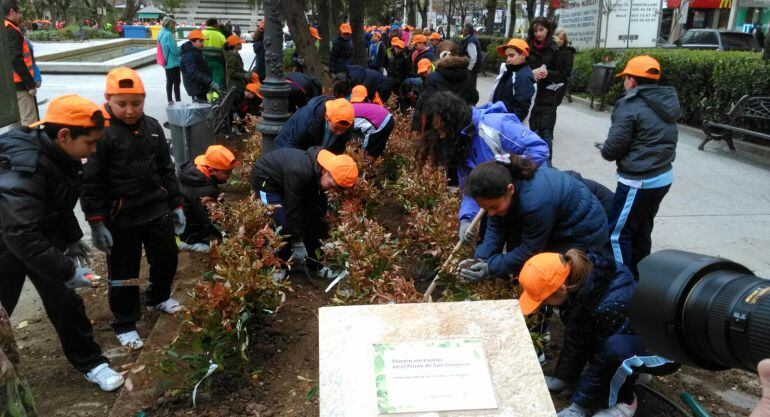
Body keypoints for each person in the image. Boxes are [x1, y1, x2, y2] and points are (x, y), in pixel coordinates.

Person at [0, 95, 124, 392]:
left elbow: (58, 199)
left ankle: (90, 362)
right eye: (90, 143)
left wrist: (72, 237)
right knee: (2, 309)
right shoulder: (24, 166)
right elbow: (20, 232)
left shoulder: (60, 153)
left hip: (39, 236)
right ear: (65, 135)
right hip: (7, 242)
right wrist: (67, 271)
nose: (93, 151)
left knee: (66, 303)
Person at [81, 67, 185, 350]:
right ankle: (125, 321)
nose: (130, 110)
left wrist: (176, 204)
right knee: (124, 272)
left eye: (136, 104)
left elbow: (166, 168)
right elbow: (90, 182)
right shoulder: (100, 134)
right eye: (122, 104)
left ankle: (158, 295)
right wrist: (96, 222)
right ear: (108, 99)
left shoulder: (151, 128)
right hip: (120, 217)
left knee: (167, 256)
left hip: (154, 208)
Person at [517, 250, 677, 417]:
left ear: (562, 289)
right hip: (633, 336)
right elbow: (576, 338)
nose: (543, 305)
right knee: (606, 344)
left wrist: (580, 406)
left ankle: (625, 402)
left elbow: (601, 359)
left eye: (543, 300)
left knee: (614, 349)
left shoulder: (609, 305)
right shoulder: (582, 284)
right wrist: (564, 378)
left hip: (666, 350)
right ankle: (630, 370)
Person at [456, 157, 607, 281]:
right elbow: (496, 227)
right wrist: (481, 259)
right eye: (486, 208)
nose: (490, 213)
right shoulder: (500, 187)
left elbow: (530, 250)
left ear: (510, 190)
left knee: (551, 273)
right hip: (555, 220)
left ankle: (549, 309)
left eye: (494, 207)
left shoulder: (535, 203)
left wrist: (490, 267)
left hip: (583, 230)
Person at [415, 91, 549, 227]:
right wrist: (466, 218)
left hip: (530, 190)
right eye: (438, 131)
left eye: (443, 129)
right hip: (499, 199)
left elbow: (540, 149)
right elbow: (472, 186)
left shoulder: (495, 126)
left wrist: (508, 168)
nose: (442, 136)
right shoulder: (460, 145)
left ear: (455, 120)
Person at [600, 55, 679, 279]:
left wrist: (605, 148)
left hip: (639, 180)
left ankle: (622, 286)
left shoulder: (630, 105)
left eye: (625, 78)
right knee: (642, 229)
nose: (624, 82)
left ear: (633, 80)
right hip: (663, 176)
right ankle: (641, 280)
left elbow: (612, 150)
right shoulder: (666, 101)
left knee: (617, 234)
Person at [250, 147, 358, 280]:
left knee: (313, 216)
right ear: (325, 171)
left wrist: (321, 235)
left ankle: (315, 264)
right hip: (267, 179)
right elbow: (293, 208)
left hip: (289, 180)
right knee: (281, 221)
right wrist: (298, 242)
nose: (333, 191)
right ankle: (280, 265)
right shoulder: (300, 172)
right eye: (332, 186)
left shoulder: (320, 171)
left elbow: (314, 213)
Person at [178, 145, 237, 253]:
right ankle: (188, 241)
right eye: (226, 173)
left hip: (179, 217)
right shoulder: (204, 190)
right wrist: (227, 235)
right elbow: (209, 218)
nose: (229, 176)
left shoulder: (193, 171)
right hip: (185, 226)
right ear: (211, 170)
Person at [526, 17, 567, 161]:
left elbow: (562, 73)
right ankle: (531, 167)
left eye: (541, 30)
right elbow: (522, 68)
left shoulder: (555, 48)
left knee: (546, 135)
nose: (538, 33)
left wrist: (547, 73)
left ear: (547, 30)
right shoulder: (527, 47)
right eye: (535, 30)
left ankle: (547, 168)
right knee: (531, 135)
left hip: (548, 97)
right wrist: (531, 72)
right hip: (530, 96)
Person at [274, 96, 355, 154]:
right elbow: (294, 149)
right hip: (287, 147)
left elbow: (337, 151)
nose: (339, 133)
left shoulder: (348, 121)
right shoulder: (308, 120)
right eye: (336, 128)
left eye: (344, 130)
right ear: (327, 117)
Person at [4, 0, 38, 126]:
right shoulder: (11, 30)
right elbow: (16, 59)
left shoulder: (4, 28)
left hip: (9, 84)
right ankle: (29, 145)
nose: (20, 16)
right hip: (20, 84)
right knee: (30, 123)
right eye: (19, 13)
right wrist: (30, 84)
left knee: (15, 123)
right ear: (12, 12)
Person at [489, 38, 536, 123]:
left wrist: (506, 124)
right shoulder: (510, 71)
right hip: (499, 119)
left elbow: (521, 110)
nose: (508, 59)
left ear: (523, 55)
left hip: (506, 124)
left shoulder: (523, 77)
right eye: (507, 56)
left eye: (512, 55)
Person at [180, 29, 216, 102]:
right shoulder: (188, 55)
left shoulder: (196, 51)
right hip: (195, 88)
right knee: (199, 110)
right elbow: (193, 72)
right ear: (192, 41)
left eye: (203, 41)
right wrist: (210, 82)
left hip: (200, 86)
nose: (203, 43)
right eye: (200, 41)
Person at [158, 17, 181, 105]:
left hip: (165, 62)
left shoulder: (161, 33)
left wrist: (165, 59)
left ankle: (170, 100)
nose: (174, 27)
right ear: (170, 25)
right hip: (173, 62)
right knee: (177, 82)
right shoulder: (169, 35)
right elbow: (173, 50)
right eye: (173, 25)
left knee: (169, 82)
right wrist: (180, 51)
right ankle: (178, 100)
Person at [459, 24, 482, 101]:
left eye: (464, 29)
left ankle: (470, 103)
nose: (462, 30)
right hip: (470, 68)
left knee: (470, 86)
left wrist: (469, 69)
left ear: (467, 31)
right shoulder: (469, 39)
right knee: (470, 86)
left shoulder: (470, 41)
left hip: (471, 69)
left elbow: (473, 58)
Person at [553, 27, 575, 109]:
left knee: (553, 106)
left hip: (560, 83)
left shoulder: (568, 52)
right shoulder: (553, 50)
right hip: (550, 82)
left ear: (565, 40)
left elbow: (567, 70)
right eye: (557, 37)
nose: (559, 40)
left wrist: (555, 76)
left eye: (561, 38)